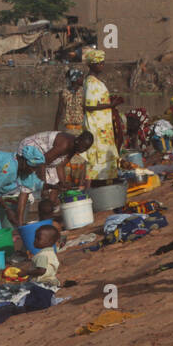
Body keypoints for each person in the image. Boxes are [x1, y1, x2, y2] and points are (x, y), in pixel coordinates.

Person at [12, 130, 93, 224]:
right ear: (78, 141)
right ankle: (20, 223)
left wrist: (63, 183)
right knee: (27, 185)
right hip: (31, 148)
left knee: (56, 184)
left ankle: (45, 219)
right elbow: (42, 163)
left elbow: (60, 166)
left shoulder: (75, 147)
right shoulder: (64, 144)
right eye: (83, 147)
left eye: (86, 148)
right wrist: (44, 187)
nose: (83, 150)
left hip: (46, 156)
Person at [81, 48, 121, 184]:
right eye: (99, 63)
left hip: (103, 126)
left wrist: (111, 102)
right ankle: (96, 184)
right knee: (98, 157)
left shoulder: (94, 81)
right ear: (92, 64)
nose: (102, 65)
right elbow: (89, 106)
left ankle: (105, 181)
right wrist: (110, 105)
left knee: (105, 154)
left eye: (102, 63)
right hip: (97, 128)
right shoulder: (91, 82)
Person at [27, 224, 62, 289]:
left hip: (41, 283)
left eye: (38, 239)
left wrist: (26, 272)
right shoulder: (51, 253)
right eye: (35, 237)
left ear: (49, 241)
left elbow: (41, 271)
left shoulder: (42, 255)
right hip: (52, 280)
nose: (35, 240)